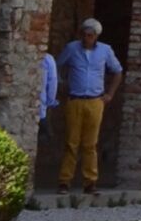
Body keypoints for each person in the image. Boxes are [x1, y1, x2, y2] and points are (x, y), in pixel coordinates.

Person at [49, 19, 123, 191]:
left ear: (96, 36)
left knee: (90, 144)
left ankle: (90, 181)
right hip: (75, 99)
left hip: (95, 100)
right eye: (84, 35)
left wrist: (110, 94)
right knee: (71, 142)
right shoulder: (72, 48)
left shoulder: (105, 50)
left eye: (90, 35)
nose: (86, 38)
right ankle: (64, 181)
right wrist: (61, 84)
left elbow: (118, 71)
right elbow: (56, 66)